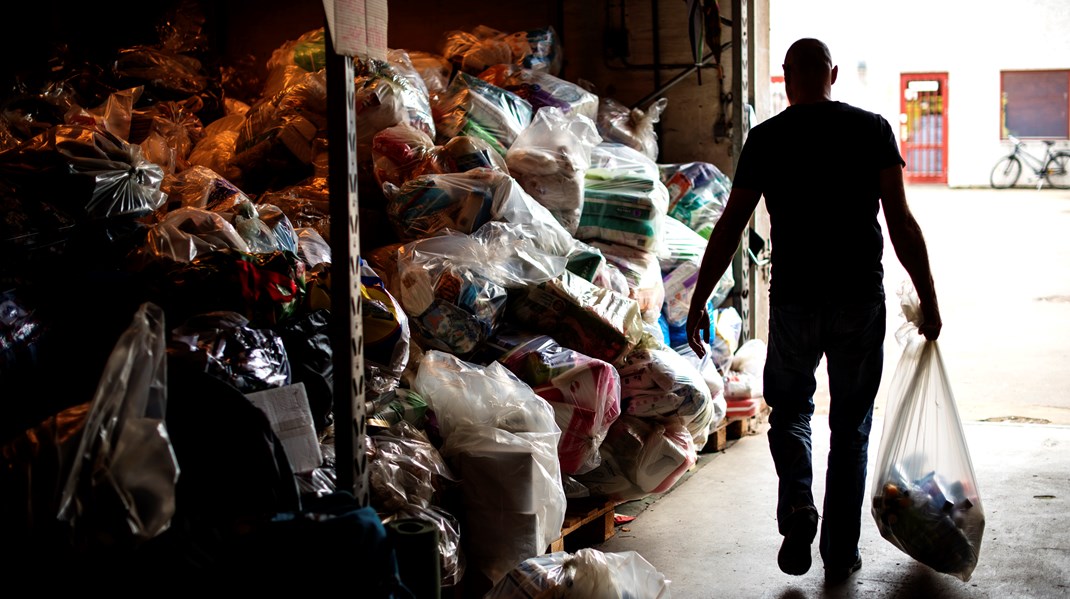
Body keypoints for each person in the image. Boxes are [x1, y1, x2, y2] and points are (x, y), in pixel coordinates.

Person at [685, 38, 942, 584]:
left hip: (797, 301)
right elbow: (901, 223)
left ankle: (799, 504)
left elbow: (731, 225)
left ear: (785, 76)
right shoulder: (871, 129)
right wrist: (930, 298)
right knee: (850, 426)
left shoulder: (767, 138)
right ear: (833, 74)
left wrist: (700, 295)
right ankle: (840, 554)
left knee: (792, 411)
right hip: (858, 300)